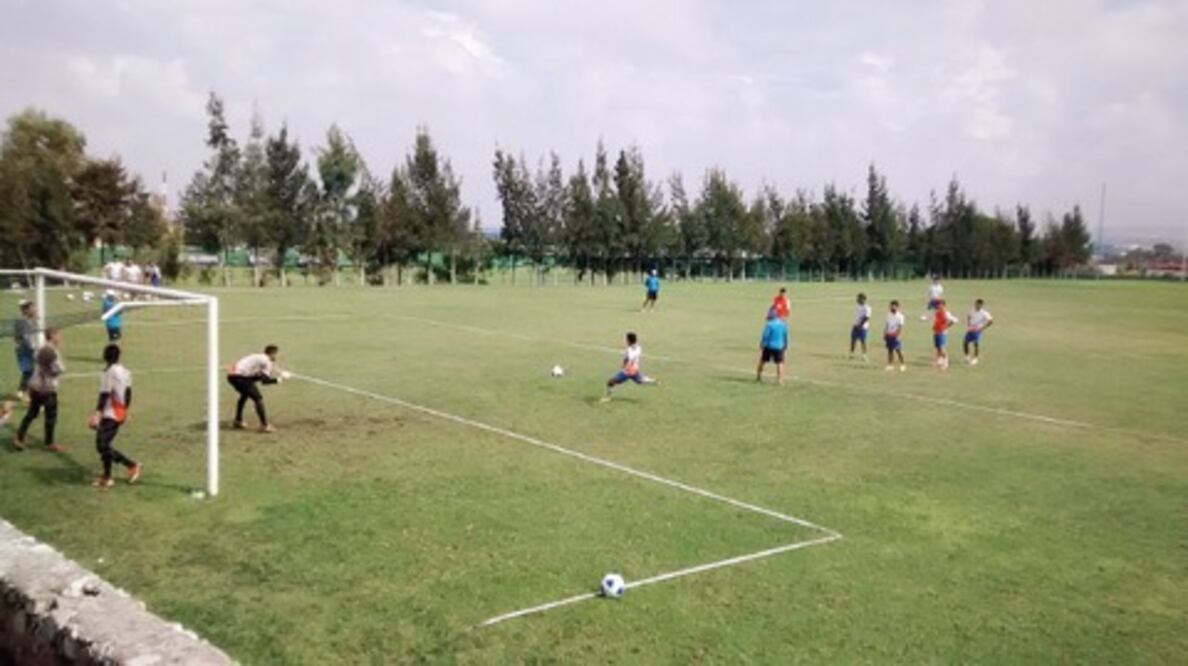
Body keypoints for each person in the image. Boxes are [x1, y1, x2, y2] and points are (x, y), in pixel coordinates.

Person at [90, 344, 141, 488]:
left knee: (102, 445)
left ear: (105, 357)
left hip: (111, 413)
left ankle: (131, 465)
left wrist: (97, 414)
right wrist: (126, 410)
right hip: (119, 412)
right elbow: (128, 393)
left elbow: (105, 394)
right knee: (104, 445)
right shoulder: (126, 372)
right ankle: (107, 477)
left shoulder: (109, 372)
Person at [15, 328, 65, 452]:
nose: (60, 337)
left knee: (32, 413)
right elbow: (59, 369)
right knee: (51, 416)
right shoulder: (51, 351)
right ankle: (49, 443)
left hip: (35, 387)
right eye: (58, 335)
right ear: (52, 336)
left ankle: (19, 437)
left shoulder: (40, 349)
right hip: (46, 389)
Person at [227, 345, 286, 432]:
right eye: (276, 354)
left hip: (232, 376)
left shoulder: (259, 357)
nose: (276, 357)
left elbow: (257, 377)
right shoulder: (266, 361)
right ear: (272, 353)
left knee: (245, 395)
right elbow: (264, 381)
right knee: (258, 399)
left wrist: (276, 372)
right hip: (240, 377)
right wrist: (279, 379)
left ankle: (238, 421)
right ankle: (264, 425)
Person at [602, 332, 658, 401]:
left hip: (628, 371)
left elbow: (629, 359)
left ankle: (608, 398)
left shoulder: (628, 350)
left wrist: (625, 366)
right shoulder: (639, 347)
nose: (625, 340)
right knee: (640, 381)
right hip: (635, 369)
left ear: (629, 340)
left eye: (626, 339)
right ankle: (653, 381)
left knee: (610, 382)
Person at [13, 300, 37, 402]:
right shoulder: (22, 322)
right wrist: (34, 347)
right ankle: (26, 394)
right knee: (29, 371)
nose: (35, 310)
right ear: (26, 310)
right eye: (32, 308)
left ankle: (20, 392)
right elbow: (26, 337)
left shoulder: (29, 320)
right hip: (23, 349)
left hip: (26, 348)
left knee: (29, 371)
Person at [756, 310, 789, 385]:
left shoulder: (769, 325)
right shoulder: (783, 324)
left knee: (762, 361)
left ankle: (758, 376)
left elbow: (765, 336)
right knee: (780, 363)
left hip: (769, 346)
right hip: (779, 346)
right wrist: (785, 345)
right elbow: (785, 335)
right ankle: (780, 380)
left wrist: (762, 344)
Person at [964, 299, 994, 365]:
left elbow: (991, 321)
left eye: (979, 304)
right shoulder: (972, 310)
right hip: (971, 328)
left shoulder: (984, 313)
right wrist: (968, 324)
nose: (977, 305)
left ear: (981, 305)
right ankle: (967, 357)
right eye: (976, 304)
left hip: (977, 329)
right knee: (965, 342)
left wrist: (983, 328)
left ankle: (975, 358)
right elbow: (968, 316)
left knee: (976, 343)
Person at [932, 299, 959, 369]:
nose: (938, 306)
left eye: (940, 304)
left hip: (942, 333)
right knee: (937, 347)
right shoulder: (937, 312)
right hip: (936, 331)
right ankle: (939, 360)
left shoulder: (946, 313)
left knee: (942, 347)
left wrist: (946, 326)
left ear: (944, 305)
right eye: (938, 304)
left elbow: (954, 320)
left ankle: (946, 361)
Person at [884, 300, 907, 372]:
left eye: (894, 306)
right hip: (889, 334)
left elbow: (900, 327)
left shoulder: (900, 316)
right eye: (891, 306)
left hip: (895, 335)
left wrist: (897, 335)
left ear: (897, 307)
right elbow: (887, 325)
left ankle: (903, 364)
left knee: (898, 350)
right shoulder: (888, 314)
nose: (892, 307)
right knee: (890, 350)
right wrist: (885, 333)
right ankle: (890, 365)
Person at [850, 292, 872, 361]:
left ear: (863, 299)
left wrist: (860, 325)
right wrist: (855, 324)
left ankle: (864, 355)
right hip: (855, 326)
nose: (857, 299)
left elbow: (867, 317)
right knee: (853, 340)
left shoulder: (867, 308)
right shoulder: (857, 306)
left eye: (859, 298)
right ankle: (852, 354)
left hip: (863, 328)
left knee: (863, 341)